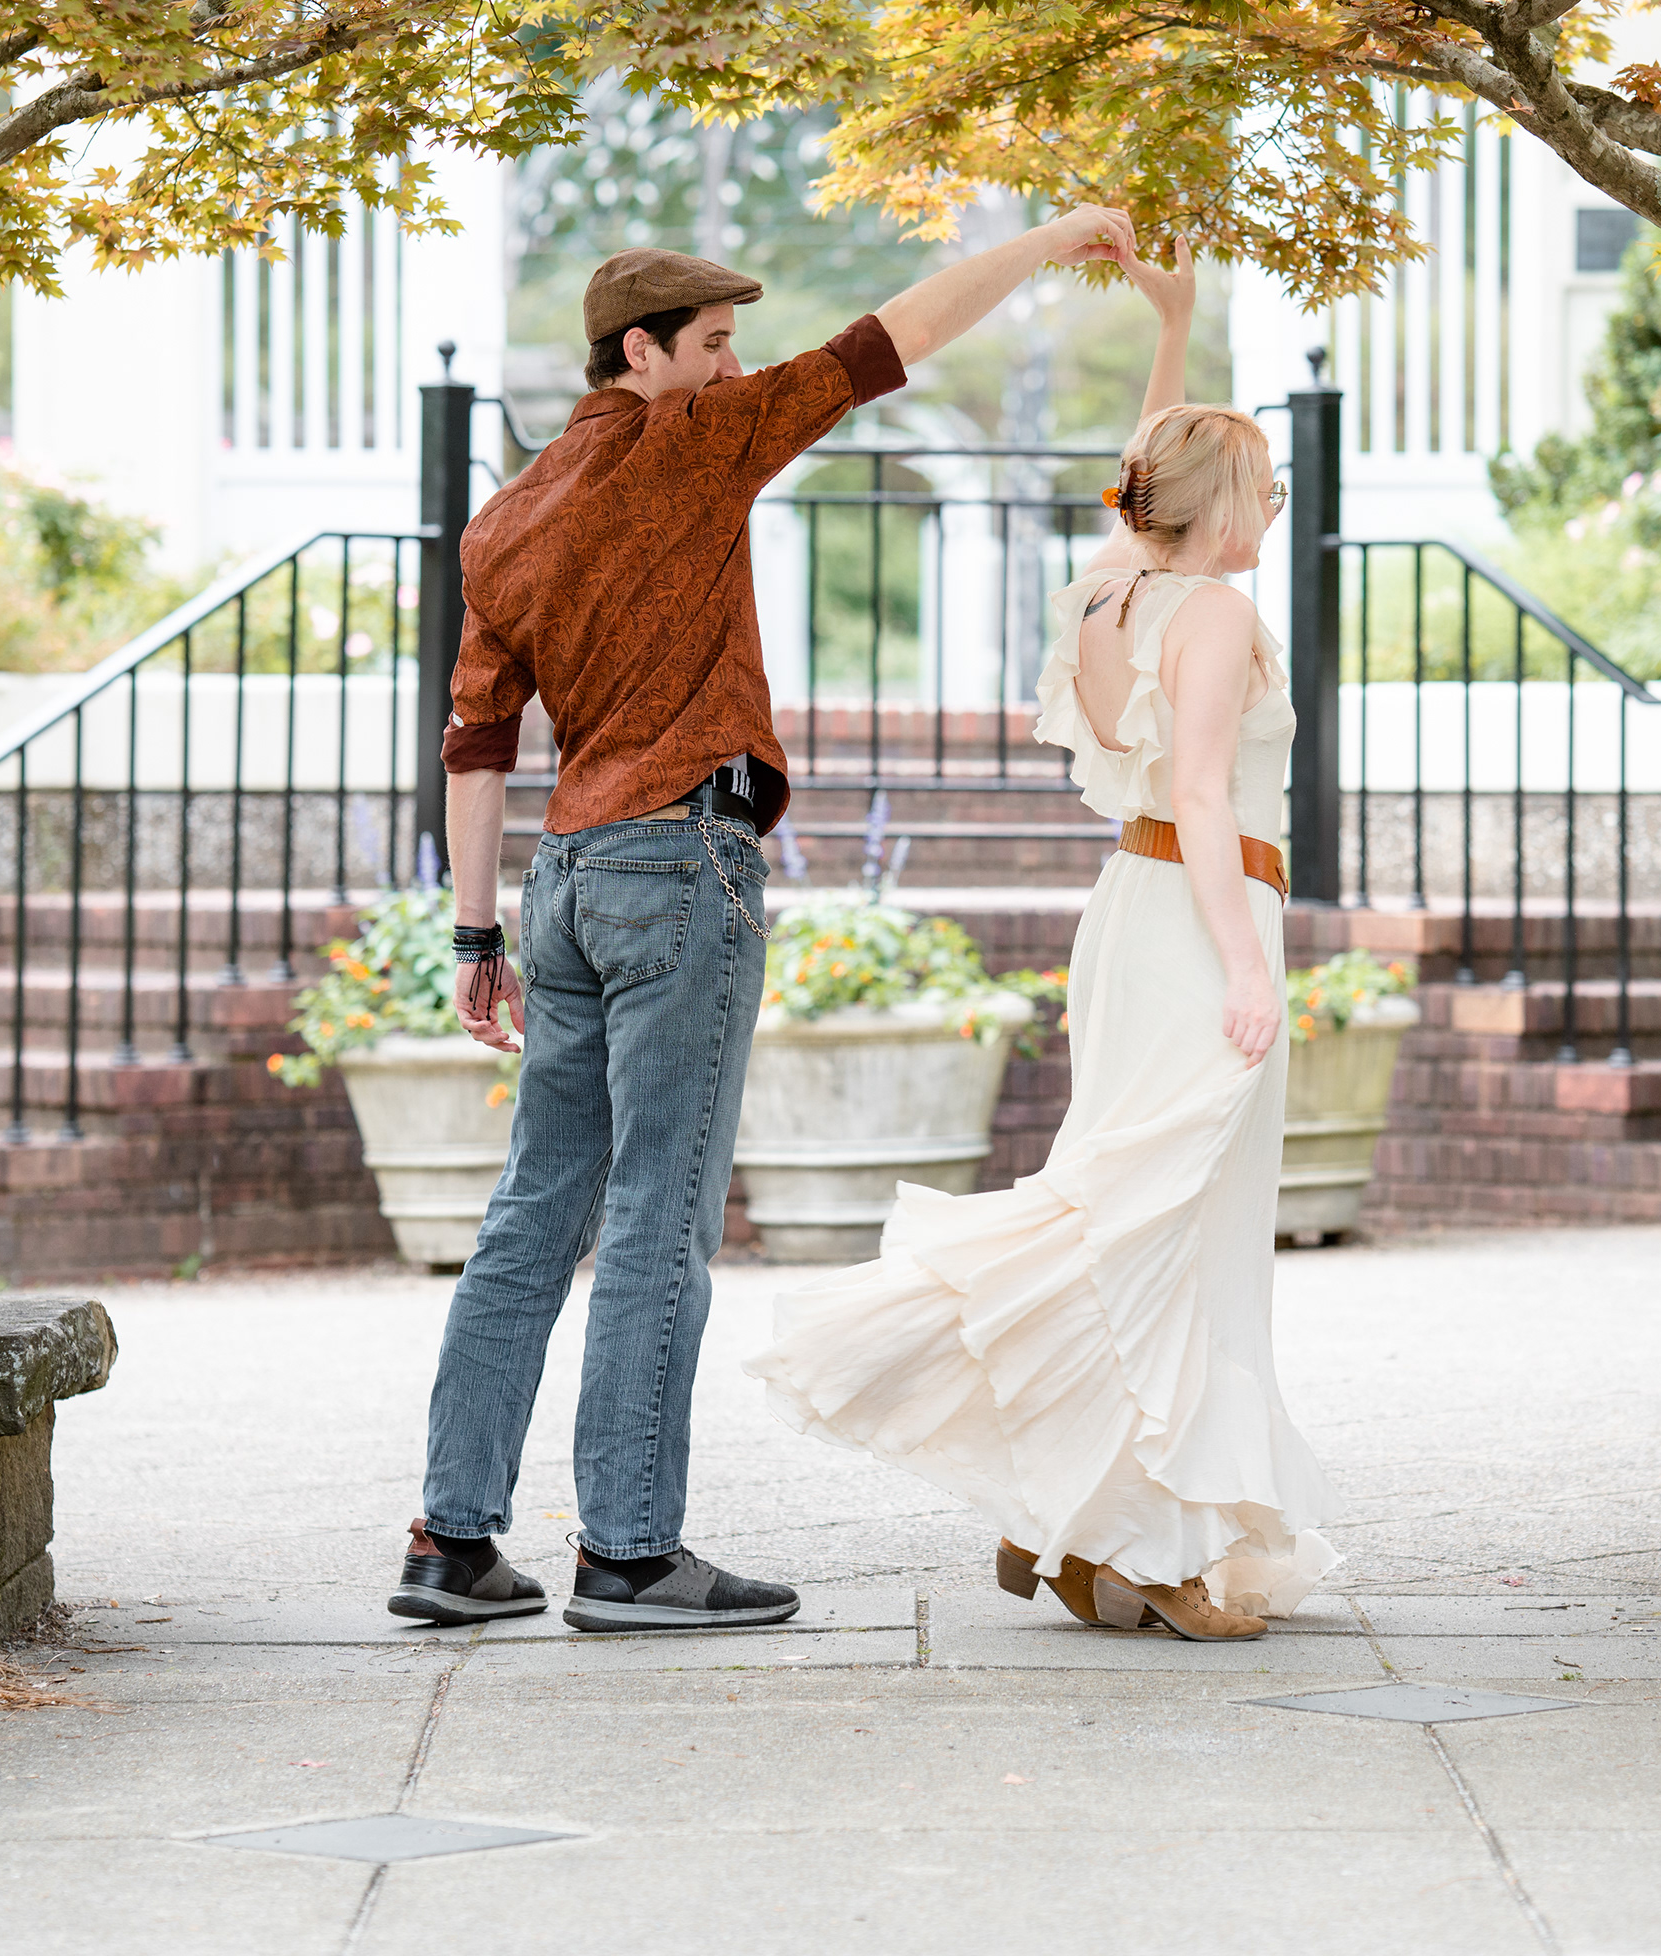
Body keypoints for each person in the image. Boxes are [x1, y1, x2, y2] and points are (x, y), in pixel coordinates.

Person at [391, 205, 1142, 1633]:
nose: (738, 371)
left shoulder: (507, 520)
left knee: (532, 1216)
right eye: (717, 344)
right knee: (659, 1216)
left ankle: (452, 1538)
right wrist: (1047, 242)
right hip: (678, 870)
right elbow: (893, 341)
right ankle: (628, 1550)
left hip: (560, 886)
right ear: (643, 352)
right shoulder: (695, 445)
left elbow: (475, 747)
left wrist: (475, 938)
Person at [742, 243, 1333, 1641]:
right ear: (1219, 507)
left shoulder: (1112, 588)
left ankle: (1066, 1518)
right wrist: (1250, 971)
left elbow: (1149, 471)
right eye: (1260, 485)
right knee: (1167, 1220)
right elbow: (1197, 792)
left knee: (1127, 1193)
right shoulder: (1217, 608)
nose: (1273, 503)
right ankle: (1166, 1546)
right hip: (1202, 912)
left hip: (1132, 916)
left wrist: (1176, 324)